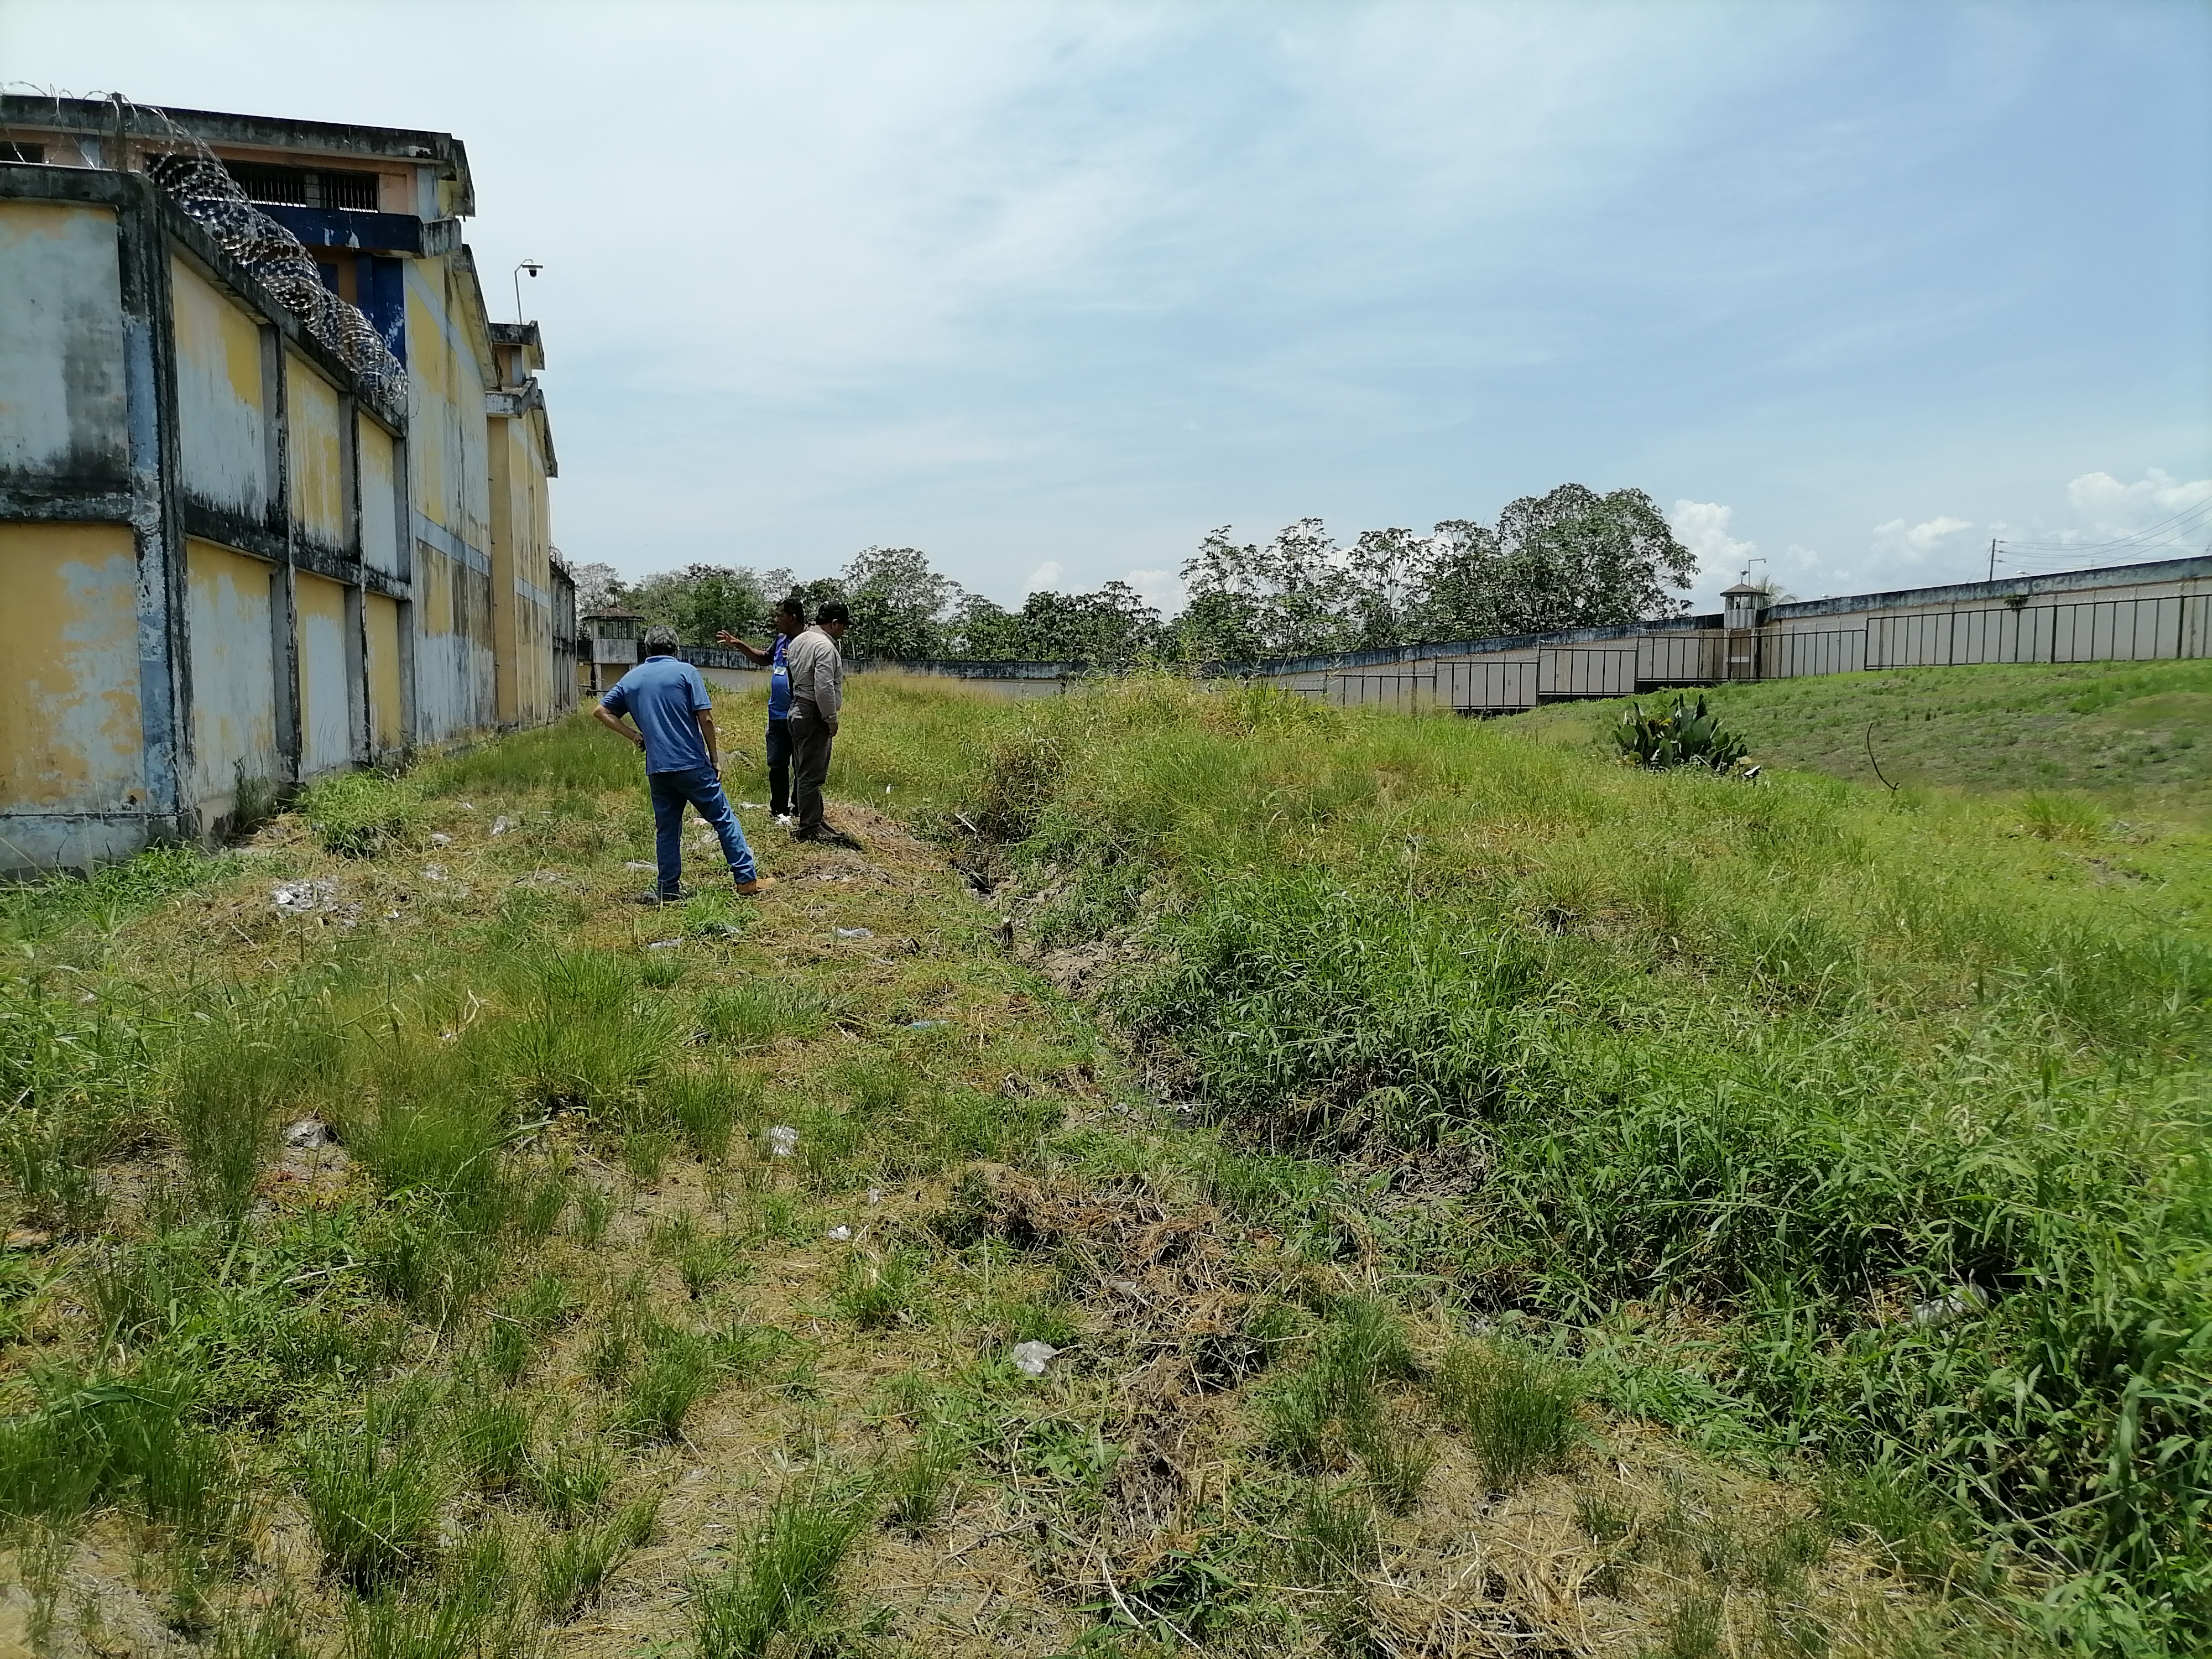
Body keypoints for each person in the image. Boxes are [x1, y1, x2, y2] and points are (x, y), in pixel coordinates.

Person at [592, 625, 778, 902]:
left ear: (647, 650)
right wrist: (715, 759)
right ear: (675, 649)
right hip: (692, 764)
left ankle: (668, 890)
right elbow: (706, 719)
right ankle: (746, 879)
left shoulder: (632, 679)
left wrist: (634, 736)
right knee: (723, 819)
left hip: (658, 768)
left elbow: (601, 711)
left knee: (667, 831)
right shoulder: (686, 672)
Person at [715, 595, 806, 826]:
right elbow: (764, 659)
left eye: (780, 616)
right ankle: (779, 810)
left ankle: (799, 808)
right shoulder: (781, 640)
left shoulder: (808, 642)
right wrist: (738, 644)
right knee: (777, 764)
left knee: (801, 765)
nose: (776, 620)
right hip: (777, 715)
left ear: (793, 618)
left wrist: (796, 659)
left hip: (800, 715)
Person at [784, 601, 858, 847]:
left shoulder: (799, 641)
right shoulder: (825, 647)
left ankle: (815, 819)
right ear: (835, 623)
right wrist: (831, 719)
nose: (843, 631)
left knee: (804, 770)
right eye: (843, 626)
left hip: (796, 708)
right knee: (811, 775)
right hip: (813, 712)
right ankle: (810, 826)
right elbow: (824, 687)